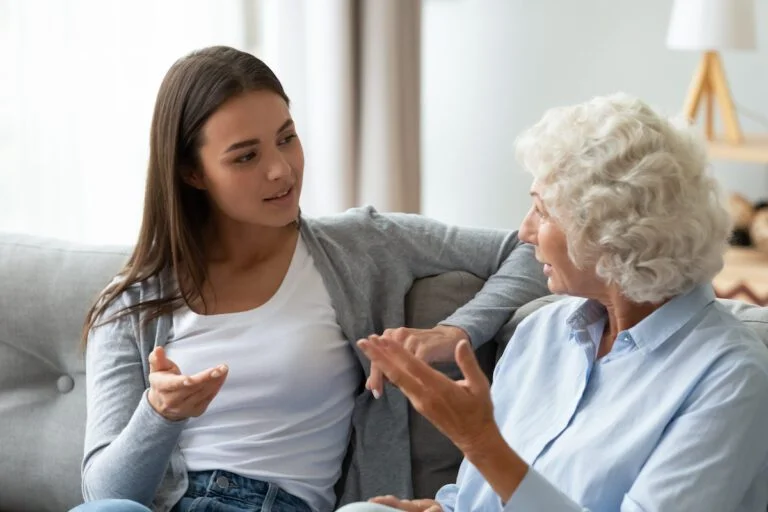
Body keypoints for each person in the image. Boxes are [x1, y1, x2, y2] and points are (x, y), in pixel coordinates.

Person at [70, 46, 548, 512]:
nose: (281, 170)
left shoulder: (361, 245)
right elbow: (106, 493)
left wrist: (456, 331)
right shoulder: (130, 303)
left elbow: (529, 247)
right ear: (192, 173)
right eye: (245, 157)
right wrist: (161, 413)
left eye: (286, 138)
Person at [345, 93, 768, 512]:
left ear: (610, 232)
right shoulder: (543, 332)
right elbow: (485, 494)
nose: (525, 232)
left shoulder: (730, 377)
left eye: (542, 212)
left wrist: (480, 441)